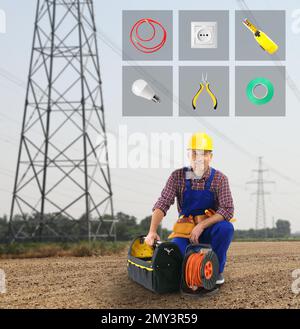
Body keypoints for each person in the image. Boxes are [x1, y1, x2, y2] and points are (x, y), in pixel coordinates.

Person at [145, 132, 234, 285]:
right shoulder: (177, 177)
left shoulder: (220, 179)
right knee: (176, 258)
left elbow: (227, 209)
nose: (199, 158)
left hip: (209, 229)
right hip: (185, 230)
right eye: (195, 153)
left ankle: (216, 271)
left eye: (204, 154)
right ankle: (190, 266)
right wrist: (152, 231)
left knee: (226, 228)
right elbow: (162, 203)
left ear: (210, 156)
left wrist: (201, 226)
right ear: (189, 155)